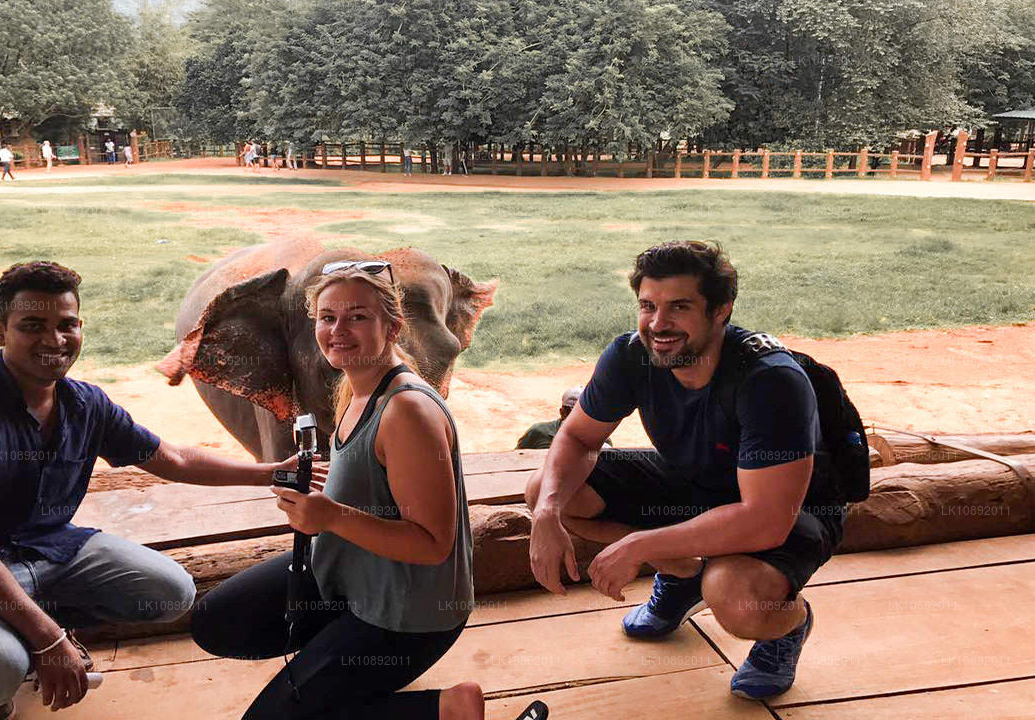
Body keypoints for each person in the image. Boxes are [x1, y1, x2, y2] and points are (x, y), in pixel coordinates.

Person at [0, 262, 289, 720]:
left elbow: (173, 459)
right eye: (32, 326)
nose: (54, 340)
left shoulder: (84, 403)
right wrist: (49, 640)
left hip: (45, 550)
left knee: (170, 591)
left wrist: (273, 473)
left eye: (67, 325)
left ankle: (21, 624)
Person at [525, 240, 845, 701]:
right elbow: (577, 439)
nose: (658, 324)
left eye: (679, 307)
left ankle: (787, 625)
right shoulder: (631, 355)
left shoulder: (770, 381)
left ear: (721, 311)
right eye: (648, 306)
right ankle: (682, 576)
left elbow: (765, 520)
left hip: (791, 511)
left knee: (736, 597)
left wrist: (640, 545)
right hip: (696, 483)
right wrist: (546, 512)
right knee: (548, 488)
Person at [190, 260, 488, 720]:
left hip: (406, 614)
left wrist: (330, 516)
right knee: (216, 621)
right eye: (327, 317)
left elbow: (433, 544)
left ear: (393, 327)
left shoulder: (407, 411)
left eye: (358, 316)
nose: (338, 330)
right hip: (351, 575)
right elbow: (377, 477)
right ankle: (333, 673)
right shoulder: (357, 387)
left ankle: (445, 709)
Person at [516, 387, 613, 451]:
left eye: (579, 413)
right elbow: (517, 457)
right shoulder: (537, 432)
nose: (575, 417)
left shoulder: (599, 438)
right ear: (562, 412)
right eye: (570, 412)